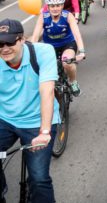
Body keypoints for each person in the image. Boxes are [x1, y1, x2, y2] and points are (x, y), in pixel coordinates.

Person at [0, 18, 61, 202]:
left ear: (22, 39)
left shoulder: (42, 52)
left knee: (39, 178)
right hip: (6, 119)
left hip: (37, 121)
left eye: (10, 42)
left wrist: (44, 132)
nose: (4, 48)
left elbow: (47, 91)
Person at [30, 0, 86, 95]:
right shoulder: (43, 17)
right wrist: (31, 53)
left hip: (67, 44)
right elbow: (35, 36)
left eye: (58, 5)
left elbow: (77, 35)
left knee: (67, 62)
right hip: (49, 47)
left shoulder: (68, 16)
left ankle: (72, 81)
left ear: (62, 6)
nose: (55, 8)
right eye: (52, 6)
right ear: (48, 7)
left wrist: (82, 51)